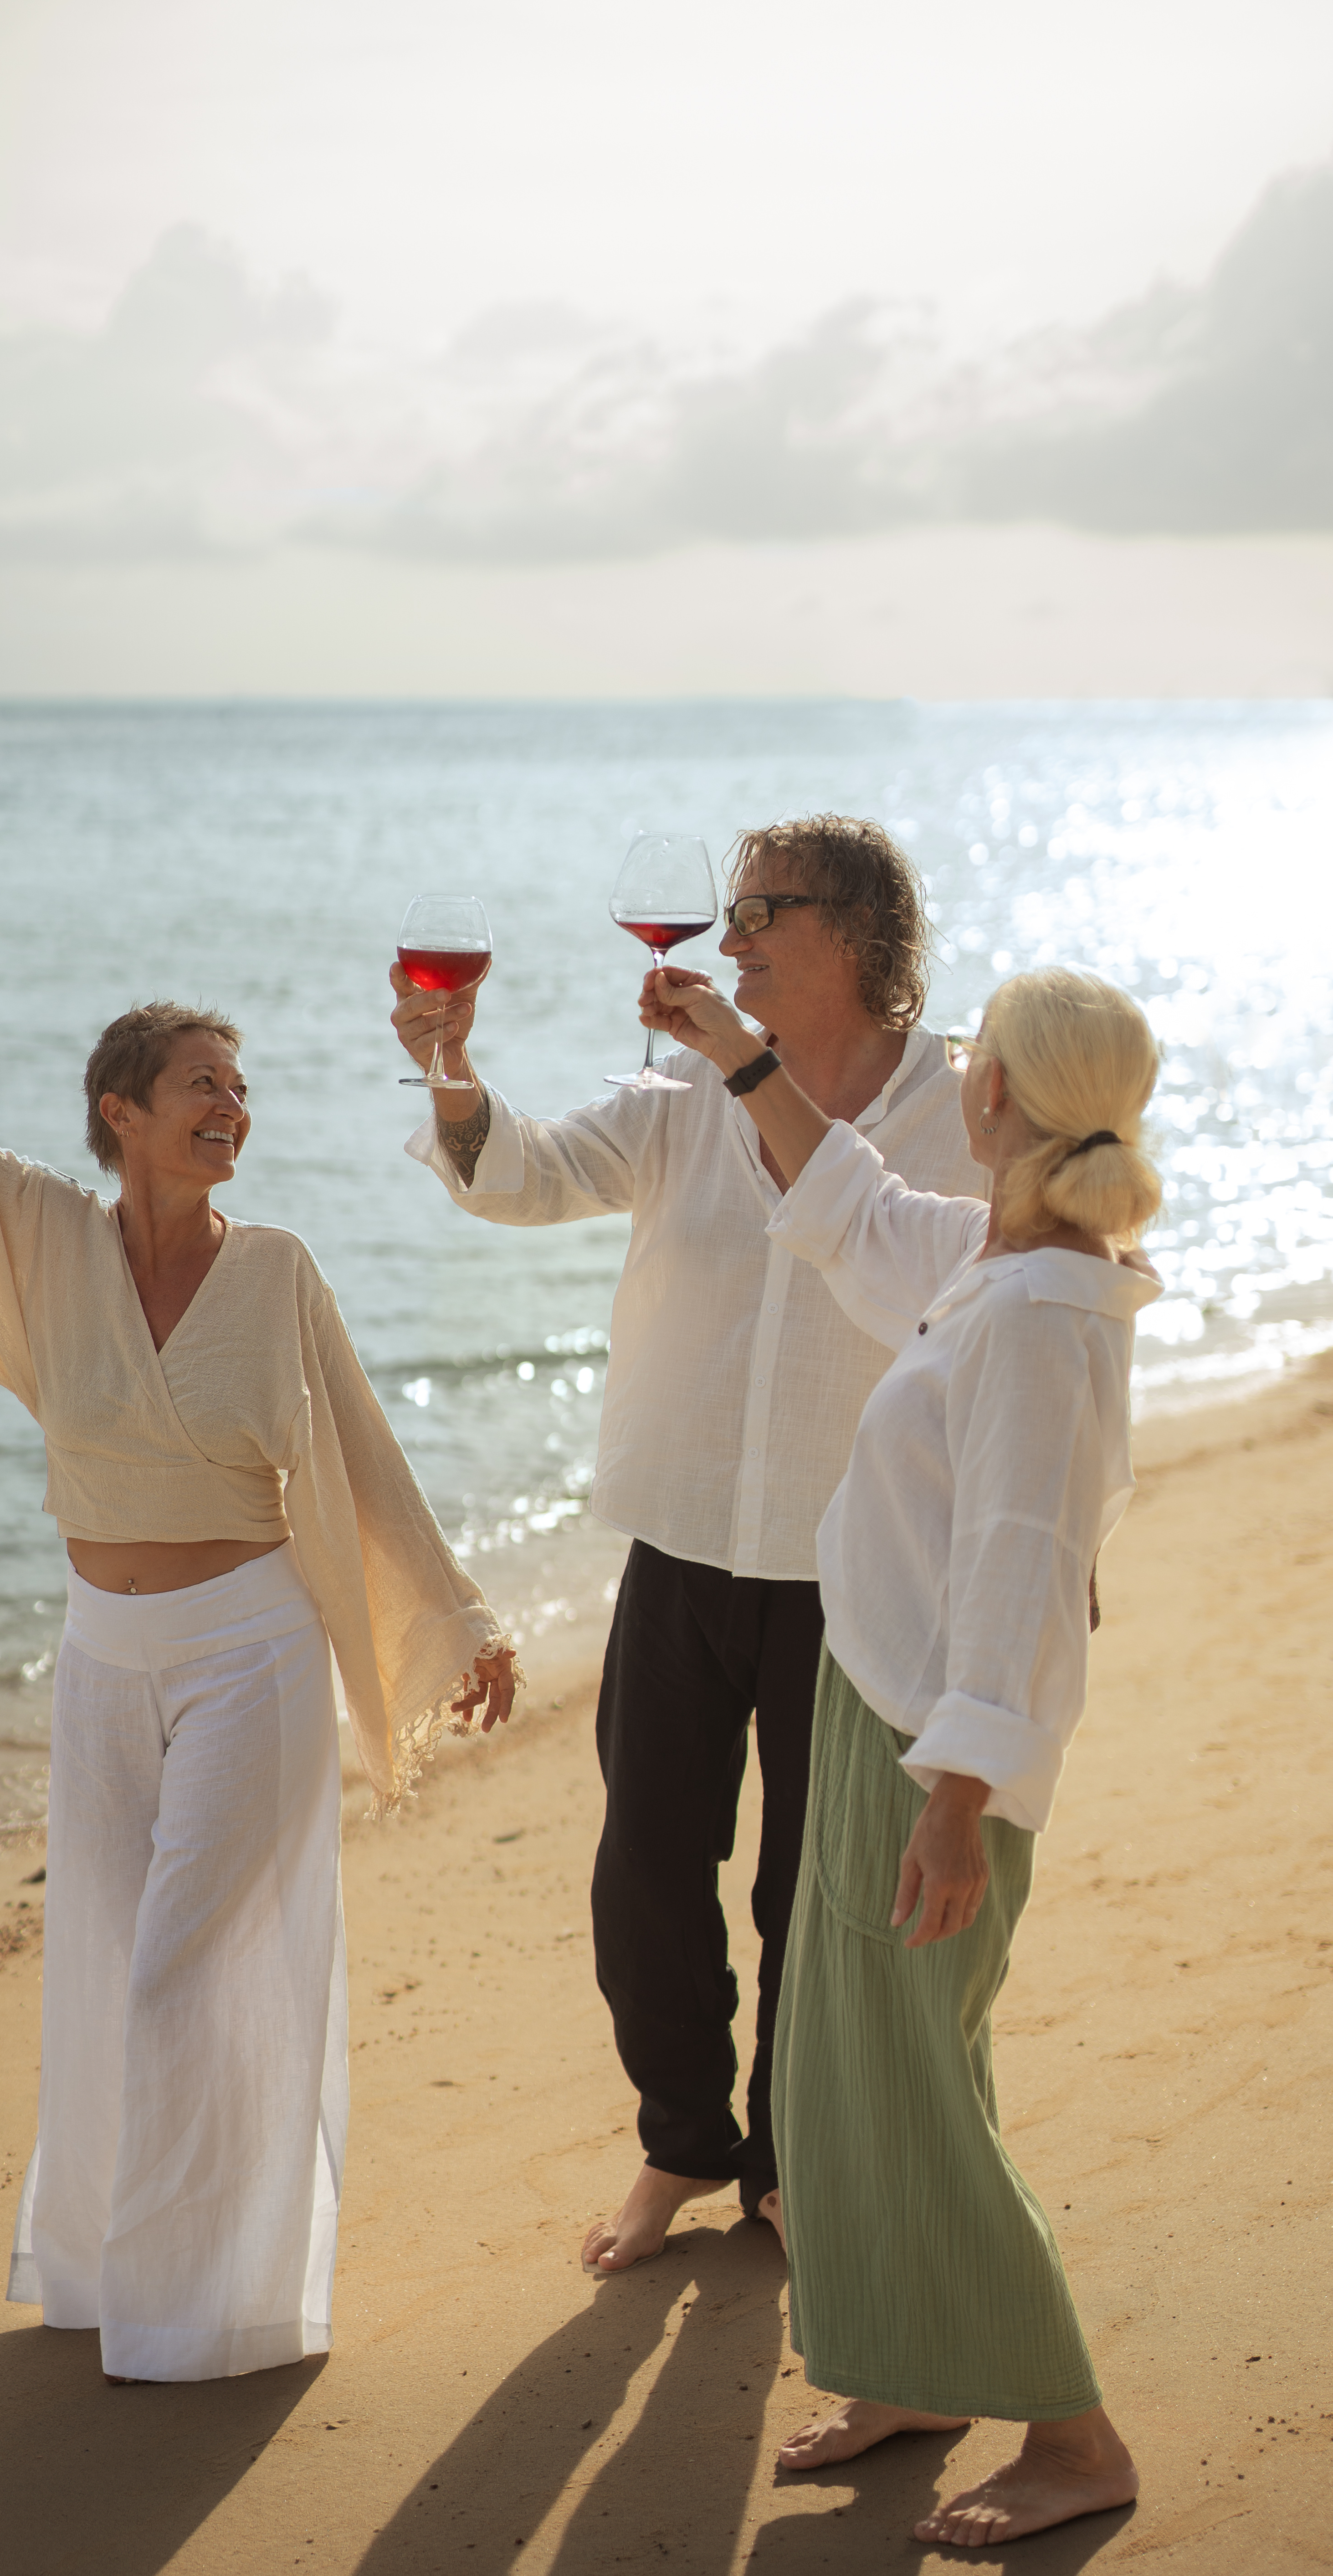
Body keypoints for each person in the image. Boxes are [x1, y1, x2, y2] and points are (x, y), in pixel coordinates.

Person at [0, 843, 518, 2387]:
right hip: (103, 1661)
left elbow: (356, 1453)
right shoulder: (41, 1242)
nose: (232, 1106)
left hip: (250, 1658)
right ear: (120, 1116)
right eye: (200, 1084)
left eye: (241, 1087)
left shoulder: (276, 1270)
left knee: (187, 1976)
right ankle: (96, 2275)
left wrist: (457, 1619)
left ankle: (204, 2308)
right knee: (99, 1973)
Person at [390, 818, 985, 2272]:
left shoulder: (967, 1105)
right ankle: (680, 2145)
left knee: (813, 1888)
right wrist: (450, 1069)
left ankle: (784, 2167)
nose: (726, 942)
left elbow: (988, 1311)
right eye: (726, 915)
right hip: (680, 1537)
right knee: (645, 1872)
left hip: (857, 1559)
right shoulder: (678, 1098)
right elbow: (515, 1176)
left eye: (758, 913)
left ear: (851, 932)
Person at [642, 954, 1155, 2548]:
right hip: (885, 1711)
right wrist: (738, 1053)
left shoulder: (1043, 1309)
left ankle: (1073, 2439)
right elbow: (853, 1205)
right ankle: (916, 2375)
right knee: (847, 2083)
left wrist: (950, 1806)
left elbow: (1015, 1559)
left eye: (976, 1052)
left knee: (912, 2095)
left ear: (996, 1095)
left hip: (930, 1752)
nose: (962, 1066)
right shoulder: (1002, 1258)